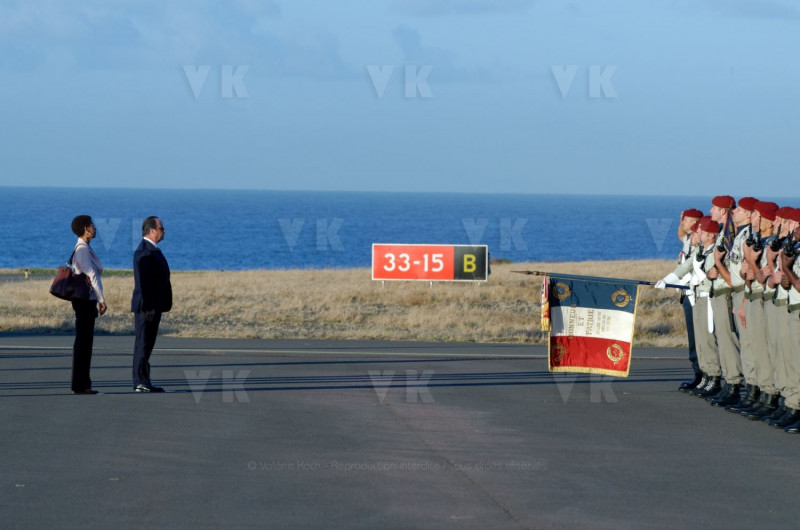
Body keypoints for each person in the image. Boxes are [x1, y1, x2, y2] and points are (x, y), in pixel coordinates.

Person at [655, 208, 703, 391]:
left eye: (687, 219)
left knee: (699, 338)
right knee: (693, 337)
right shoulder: (689, 240)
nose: (683, 222)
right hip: (686, 295)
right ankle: (698, 373)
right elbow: (681, 233)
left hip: (695, 295)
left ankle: (703, 375)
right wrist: (680, 218)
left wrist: (669, 281)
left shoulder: (698, 241)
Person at [131, 216, 172, 392]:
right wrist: (148, 307)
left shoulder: (152, 249)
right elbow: (144, 283)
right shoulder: (145, 252)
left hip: (154, 305)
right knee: (143, 343)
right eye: (162, 228)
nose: (164, 232)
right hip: (147, 307)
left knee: (148, 344)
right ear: (152, 230)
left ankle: (145, 380)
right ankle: (140, 381)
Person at [69, 215, 107, 394]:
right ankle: (80, 384)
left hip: (84, 301)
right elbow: (91, 274)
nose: (95, 228)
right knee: (84, 343)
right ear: (86, 229)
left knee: (84, 342)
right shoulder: (83, 249)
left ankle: (82, 383)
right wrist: (101, 299)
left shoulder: (83, 247)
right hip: (85, 302)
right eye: (92, 225)